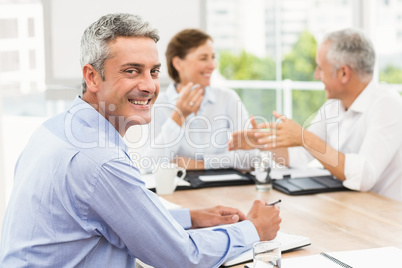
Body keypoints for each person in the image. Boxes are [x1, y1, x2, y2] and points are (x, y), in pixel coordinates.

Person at [0, 13, 281, 267]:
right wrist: (254, 229)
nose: (149, 85)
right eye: (131, 71)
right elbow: (183, 258)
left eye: (153, 71)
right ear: (92, 77)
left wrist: (192, 218)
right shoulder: (99, 160)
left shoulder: (56, 129)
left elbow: (118, 215)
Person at [229, 28, 402, 201]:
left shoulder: (387, 105)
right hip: (351, 206)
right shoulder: (334, 105)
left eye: (320, 68)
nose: (316, 75)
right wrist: (263, 143)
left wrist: (304, 137)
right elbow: (301, 155)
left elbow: (364, 177)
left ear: (343, 73)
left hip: (385, 217)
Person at [142, 28, 259, 171]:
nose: (212, 65)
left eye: (213, 57)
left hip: (224, 187)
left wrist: (202, 164)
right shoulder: (158, 104)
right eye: (203, 58)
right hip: (179, 189)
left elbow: (252, 157)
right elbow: (148, 164)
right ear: (178, 63)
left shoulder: (228, 98)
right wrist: (179, 117)